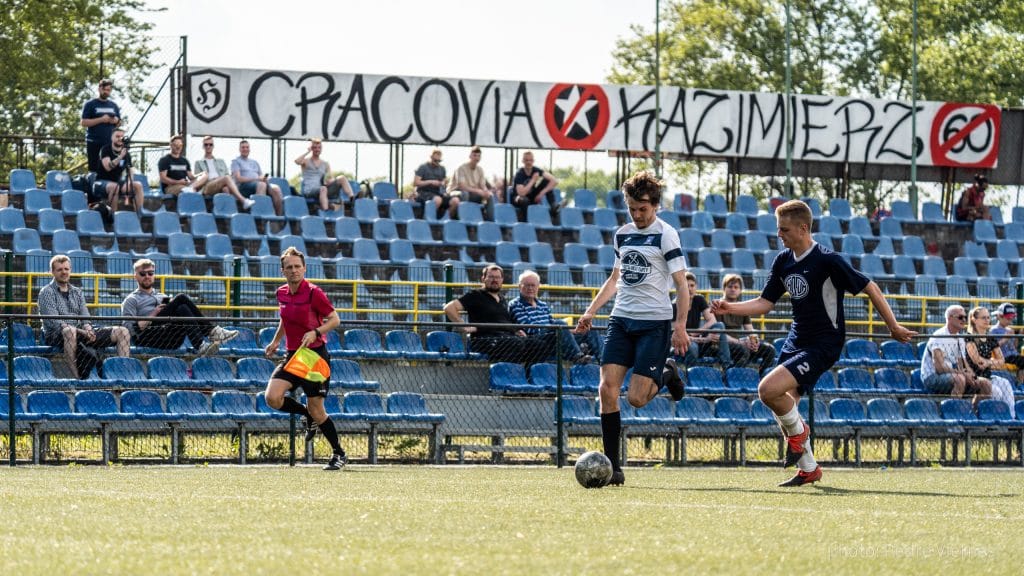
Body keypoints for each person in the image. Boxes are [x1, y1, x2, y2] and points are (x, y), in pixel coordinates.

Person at [710, 199, 915, 487]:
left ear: (803, 228)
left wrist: (893, 326)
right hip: (797, 339)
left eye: (783, 229)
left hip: (824, 342)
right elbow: (765, 303)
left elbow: (870, 287)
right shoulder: (783, 260)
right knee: (783, 407)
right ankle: (809, 469)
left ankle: (801, 434)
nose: (778, 235)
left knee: (767, 390)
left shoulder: (828, 260)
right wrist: (729, 308)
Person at [573, 171, 689, 486]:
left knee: (637, 399)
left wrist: (680, 325)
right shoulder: (622, 235)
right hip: (621, 319)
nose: (637, 216)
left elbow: (682, 286)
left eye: (644, 210)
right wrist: (591, 311)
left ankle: (667, 372)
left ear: (655, 207)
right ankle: (613, 468)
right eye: (632, 209)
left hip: (654, 324)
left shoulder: (666, 235)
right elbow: (615, 279)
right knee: (606, 389)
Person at [263, 247, 347, 470]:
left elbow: (335, 319)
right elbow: (284, 318)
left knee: (317, 409)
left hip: (313, 356)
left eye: (297, 266)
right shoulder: (281, 293)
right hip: (293, 354)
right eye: (289, 267)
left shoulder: (314, 293)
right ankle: (305, 415)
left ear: (304, 268)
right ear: (282, 271)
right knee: (272, 398)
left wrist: (316, 332)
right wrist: (276, 341)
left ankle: (338, 454)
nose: (294, 270)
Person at [121, 258, 239, 356]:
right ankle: (211, 332)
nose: (147, 276)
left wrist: (169, 307)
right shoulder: (131, 299)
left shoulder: (162, 296)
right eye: (143, 274)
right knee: (181, 297)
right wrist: (153, 314)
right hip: (146, 338)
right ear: (135, 276)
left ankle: (202, 345)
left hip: (170, 339)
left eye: (150, 273)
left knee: (182, 308)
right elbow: (129, 330)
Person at [38, 255, 130, 379]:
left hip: (81, 331)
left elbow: (85, 316)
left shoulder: (77, 291)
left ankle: (122, 378)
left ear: (70, 270)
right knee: (69, 331)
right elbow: (55, 322)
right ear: (52, 272)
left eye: (66, 269)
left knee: (122, 331)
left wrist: (88, 329)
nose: (64, 272)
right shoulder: (46, 292)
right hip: (56, 334)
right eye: (59, 269)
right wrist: (82, 331)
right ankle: (76, 379)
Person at [443, 264, 548, 363]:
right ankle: (504, 375)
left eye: (498, 277)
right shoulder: (475, 295)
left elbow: (502, 321)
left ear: (502, 280)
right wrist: (463, 326)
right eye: (491, 277)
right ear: (483, 279)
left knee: (538, 345)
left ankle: (527, 377)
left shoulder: (502, 299)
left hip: (505, 337)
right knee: (515, 343)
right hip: (484, 339)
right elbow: (449, 308)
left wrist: (516, 330)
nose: (495, 280)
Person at [507, 270, 599, 365]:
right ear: (519, 286)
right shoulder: (515, 304)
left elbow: (553, 324)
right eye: (526, 285)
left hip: (554, 336)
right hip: (536, 340)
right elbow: (528, 328)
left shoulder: (543, 305)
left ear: (538, 286)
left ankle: (605, 361)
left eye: (533, 285)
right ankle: (577, 356)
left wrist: (573, 331)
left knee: (589, 329)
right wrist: (555, 328)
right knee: (559, 324)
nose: (530, 288)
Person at [921, 304, 991, 407]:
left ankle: (974, 412)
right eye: (960, 317)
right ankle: (954, 411)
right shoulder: (939, 336)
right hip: (932, 377)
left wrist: (972, 375)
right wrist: (962, 374)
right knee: (960, 379)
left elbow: (963, 364)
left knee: (986, 384)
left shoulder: (959, 338)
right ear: (949, 318)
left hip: (951, 375)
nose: (964, 320)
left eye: (965, 317)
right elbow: (939, 368)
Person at [711, 274, 776, 374]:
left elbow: (750, 330)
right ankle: (730, 376)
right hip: (722, 344)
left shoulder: (742, 308)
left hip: (738, 342)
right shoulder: (718, 306)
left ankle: (762, 378)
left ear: (740, 290)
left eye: (736, 287)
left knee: (769, 350)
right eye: (730, 286)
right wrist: (741, 342)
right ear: (724, 288)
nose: (733, 289)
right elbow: (719, 335)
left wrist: (754, 340)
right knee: (743, 349)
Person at [965, 306, 1015, 418]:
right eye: (983, 318)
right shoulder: (969, 337)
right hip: (974, 376)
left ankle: (1010, 419)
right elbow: (977, 361)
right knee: (997, 392)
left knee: (1006, 384)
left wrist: (988, 363)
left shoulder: (990, 337)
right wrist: (992, 362)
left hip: (988, 375)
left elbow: (1002, 361)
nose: (987, 320)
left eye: (988, 317)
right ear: (974, 319)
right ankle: (990, 418)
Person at [679, 271, 731, 368]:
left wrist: (696, 333)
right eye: (686, 286)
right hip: (682, 344)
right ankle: (691, 373)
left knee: (719, 326)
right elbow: (677, 336)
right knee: (693, 346)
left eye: (692, 285)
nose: (689, 289)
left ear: (696, 287)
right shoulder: (675, 304)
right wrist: (705, 339)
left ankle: (726, 367)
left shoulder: (699, 299)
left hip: (696, 339)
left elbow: (712, 321)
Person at [192, 135, 254, 209]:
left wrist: (220, 179)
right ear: (203, 146)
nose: (208, 146)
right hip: (207, 186)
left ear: (213, 146)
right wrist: (216, 179)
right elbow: (198, 180)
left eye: (210, 144)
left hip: (221, 183)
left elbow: (227, 174)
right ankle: (243, 200)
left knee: (226, 188)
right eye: (206, 145)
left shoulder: (221, 161)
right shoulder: (199, 162)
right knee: (226, 178)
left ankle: (227, 213)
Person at [294, 138, 355, 212]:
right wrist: (307, 151)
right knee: (323, 189)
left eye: (319, 147)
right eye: (315, 147)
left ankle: (352, 199)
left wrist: (330, 181)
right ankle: (326, 211)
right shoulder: (306, 161)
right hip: (310, 190)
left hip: (323, 190)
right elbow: (297, 161)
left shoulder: (325, 164)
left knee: (342, 178)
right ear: (312, 149)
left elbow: (330, 177)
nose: (317, 150)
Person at [95, 127, 144, 213]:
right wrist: (120, 156)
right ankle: (113, 216)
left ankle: (139, 214)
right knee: (114, 187)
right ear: (112, 137)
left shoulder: (126, 154)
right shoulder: (105, 149)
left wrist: (130, 181)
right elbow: (108, 167)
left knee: (138, 185)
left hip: (118, 182)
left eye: (122, 136)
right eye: (117, 136)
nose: (120, 138)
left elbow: (131, 170)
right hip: (101, 182)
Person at [231, 139, 283, 215]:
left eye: (247, 147)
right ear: (239, 149)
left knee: (276, 188)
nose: (245, 149)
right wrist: (257, 179)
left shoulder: (254, 162)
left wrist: (264, 178)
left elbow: (260, 175)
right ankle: (259, 217)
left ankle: (278, 218)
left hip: (258, 184)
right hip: (243, 187)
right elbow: (238, 179)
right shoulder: (235, 161)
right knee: (261, 185)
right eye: (243, 147)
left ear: (249, 149)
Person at [81, 78, 121, 172]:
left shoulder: (113, 105)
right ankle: (94, 185)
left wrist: (115, 121)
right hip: (94, 142)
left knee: (109, 168)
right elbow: (83, 122)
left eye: (108, 90)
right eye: (105, 90)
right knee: (94, 168)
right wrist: (101, 119)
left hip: (109, 143)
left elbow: (119, 122)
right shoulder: (90, 104)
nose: (106, 92)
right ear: (99, 89)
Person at [512, 151, 561, 221]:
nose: (529, 162)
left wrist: (541, 193)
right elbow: (521, 193)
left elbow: (554, 181)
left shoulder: (536, 170)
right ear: (523, 161)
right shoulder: (519, 173)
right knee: (524, 200)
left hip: (531, 197)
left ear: (533, 161)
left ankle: (553, 207)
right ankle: (527, 221)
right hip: (518, 198)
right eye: (526, 160)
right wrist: (533, 180)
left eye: (530, 160)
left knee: (547, 181)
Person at [449, 146, 498, 218]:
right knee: (465, 194)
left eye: (478, 156)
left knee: (490, 196)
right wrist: (478, 191)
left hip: (472, 193)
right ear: (470, 156)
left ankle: (490, 221)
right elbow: (462, 186)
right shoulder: (461, 168)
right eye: (474, 155)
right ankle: (462, 218)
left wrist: (486, 192)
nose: (476, 158)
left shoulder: (480, 169)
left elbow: (483, 186)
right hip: (456, 192)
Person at [414, 148, 456, 219]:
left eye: (439, 161)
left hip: (438, 193)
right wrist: (431, 182)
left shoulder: (442, 169)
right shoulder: (423, 167)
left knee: (455, 201)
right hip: (423, 193)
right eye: (435, 160)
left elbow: (443, 183)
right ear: (431, 157)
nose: (437, 162)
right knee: (437, 200)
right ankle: (427, 220)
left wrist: (443, 184)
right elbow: (416, 182)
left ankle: (444, 221)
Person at [990, 302, 1023, 380]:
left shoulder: (1010, 329)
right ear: (1000, 317)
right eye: (1008, 318)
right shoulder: (994, 330)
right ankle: (1020, 383)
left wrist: (1018, 336)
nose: (1010, 321)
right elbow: (992, 346)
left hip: (1013, 354)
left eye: (1011, 318)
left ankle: (1020, 382)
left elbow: (1014, 346)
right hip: (1004, 356)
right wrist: (1006, 338)